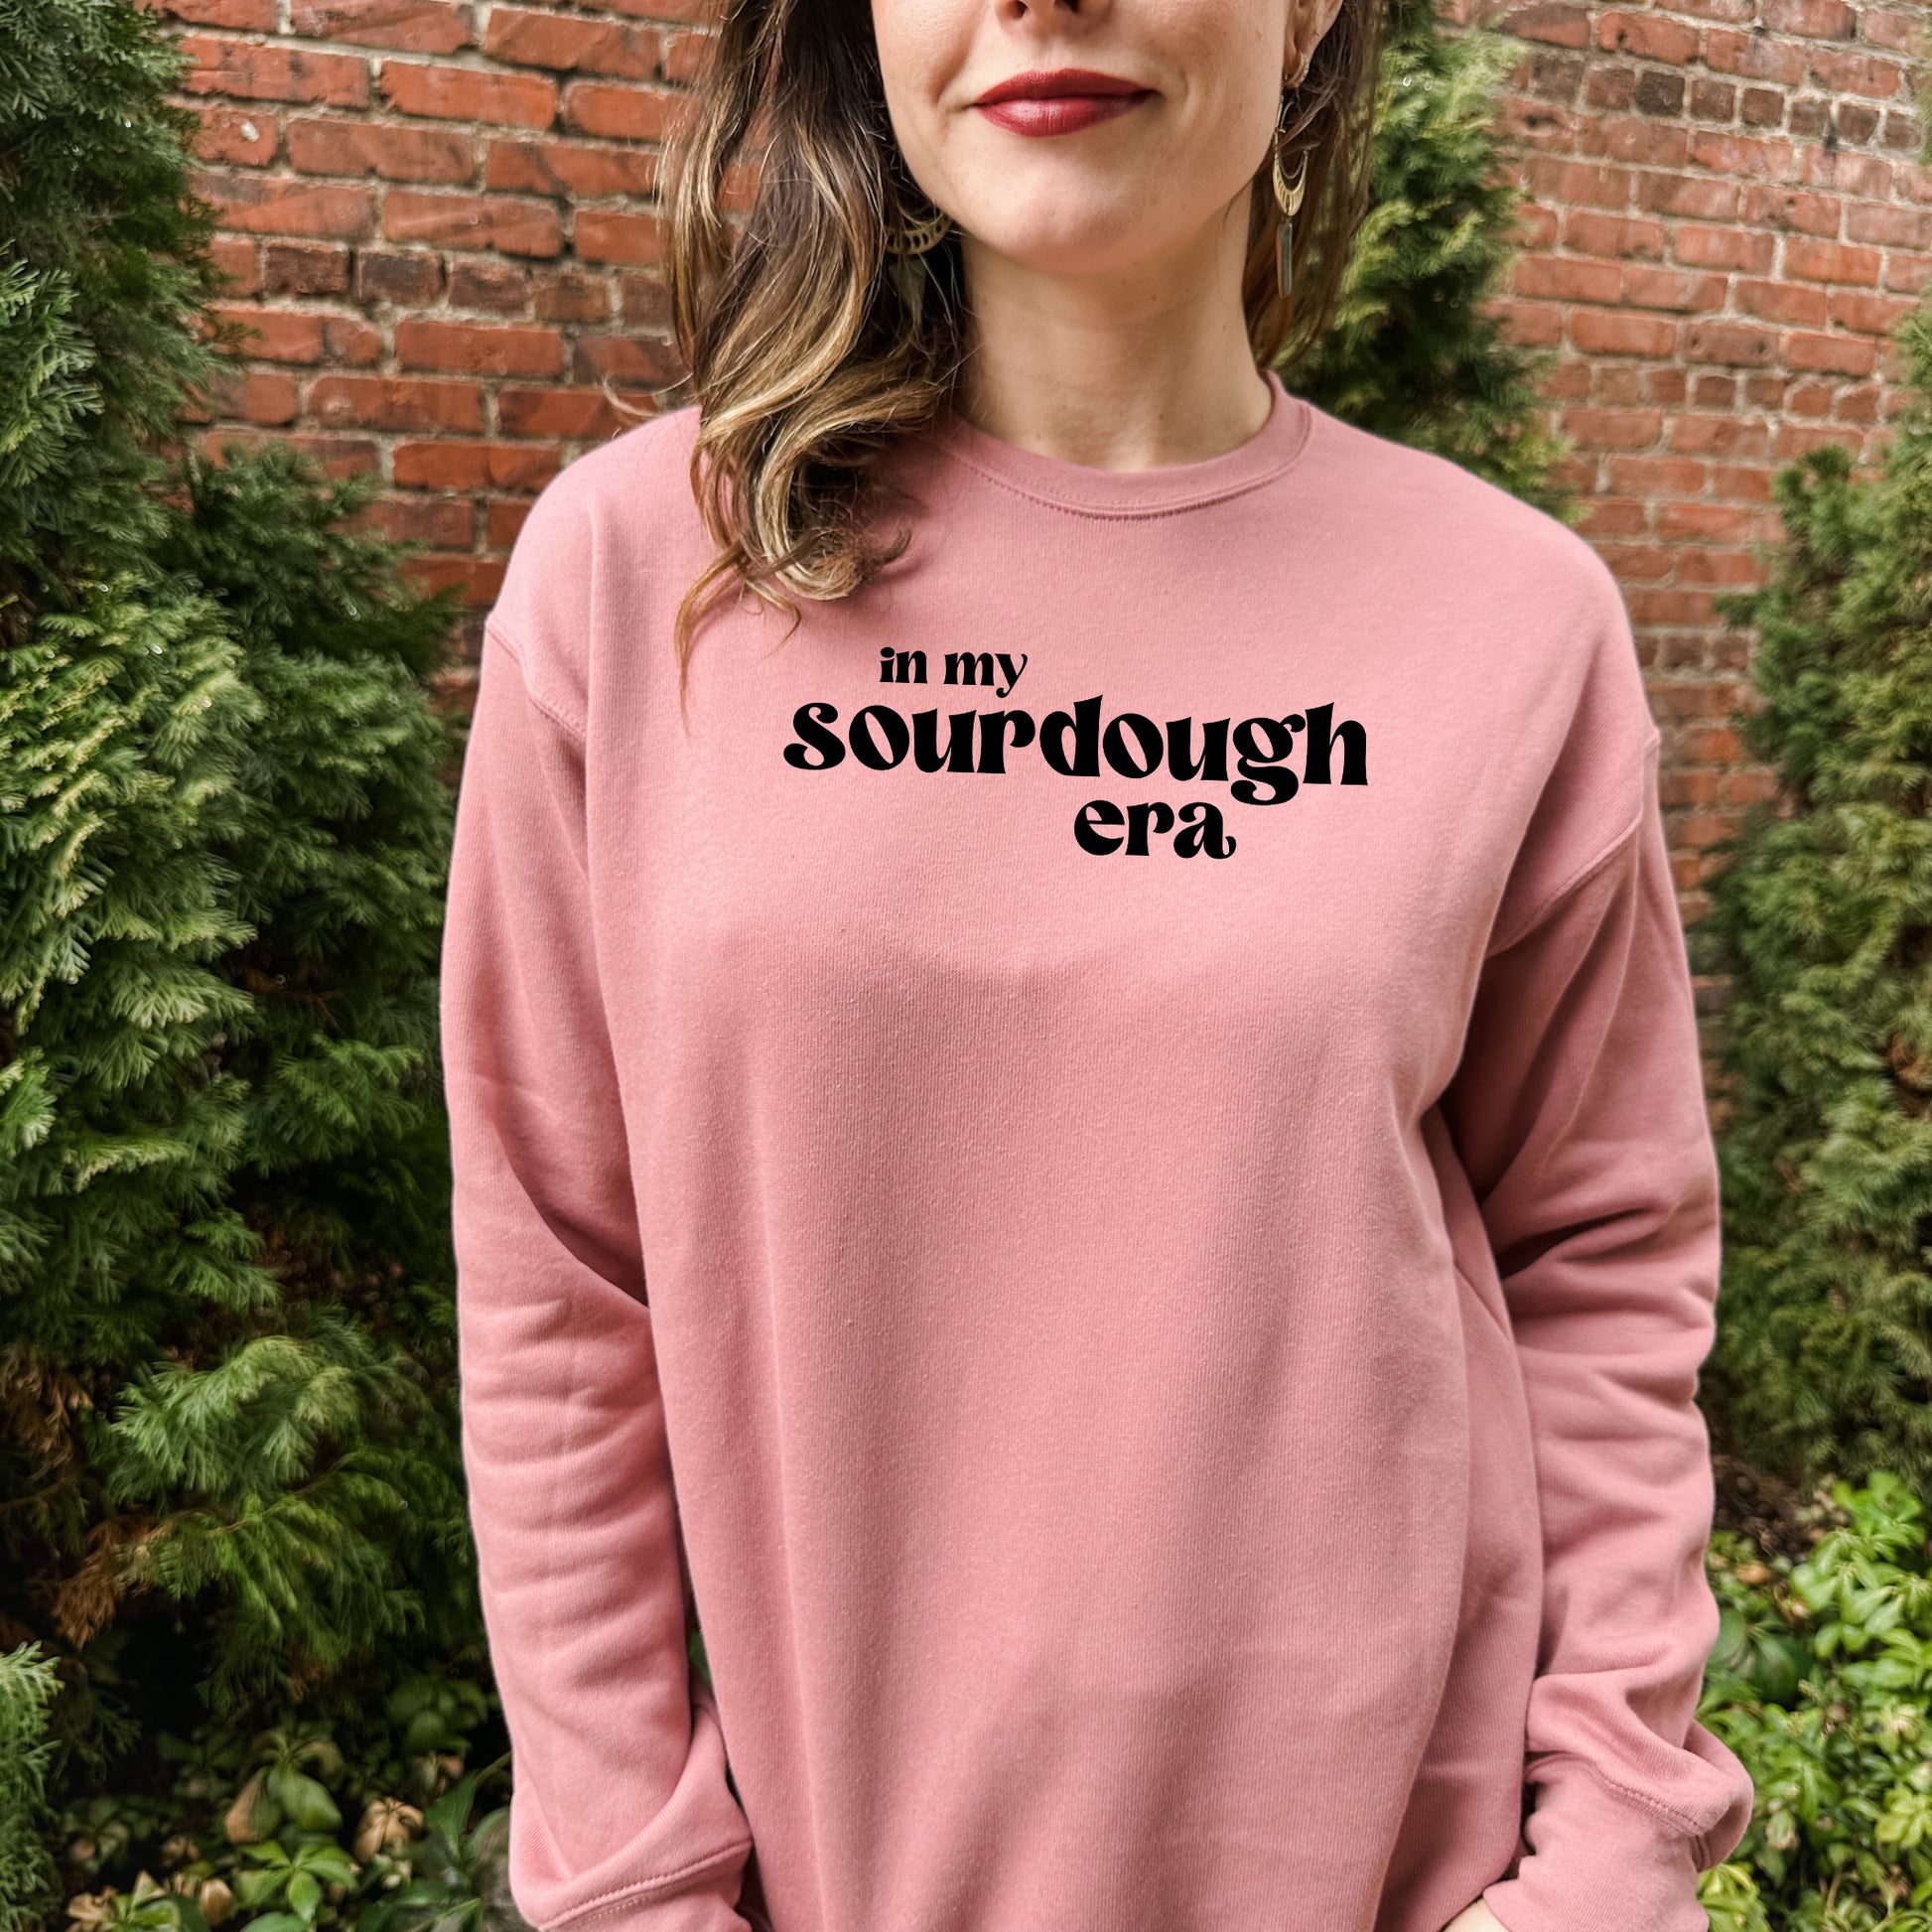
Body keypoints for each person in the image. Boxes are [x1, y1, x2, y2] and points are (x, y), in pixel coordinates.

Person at [437, 0, 1759, 1923]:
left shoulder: (1512, 623)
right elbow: (556, 1282)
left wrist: (1610, 1852)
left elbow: (1606, 1265)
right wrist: (638, 1887)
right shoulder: (647, 576)